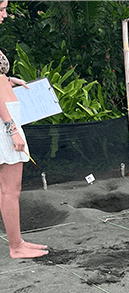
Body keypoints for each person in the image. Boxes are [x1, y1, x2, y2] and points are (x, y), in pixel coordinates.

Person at [0, 0, 47, 259]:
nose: (5, 15)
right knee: (10, 188)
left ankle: (17, 242)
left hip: (7, 117)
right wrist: (12, 128)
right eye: (1, 9)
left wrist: (8, 79)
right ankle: (16, 247)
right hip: (4, 121)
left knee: (11, 188)